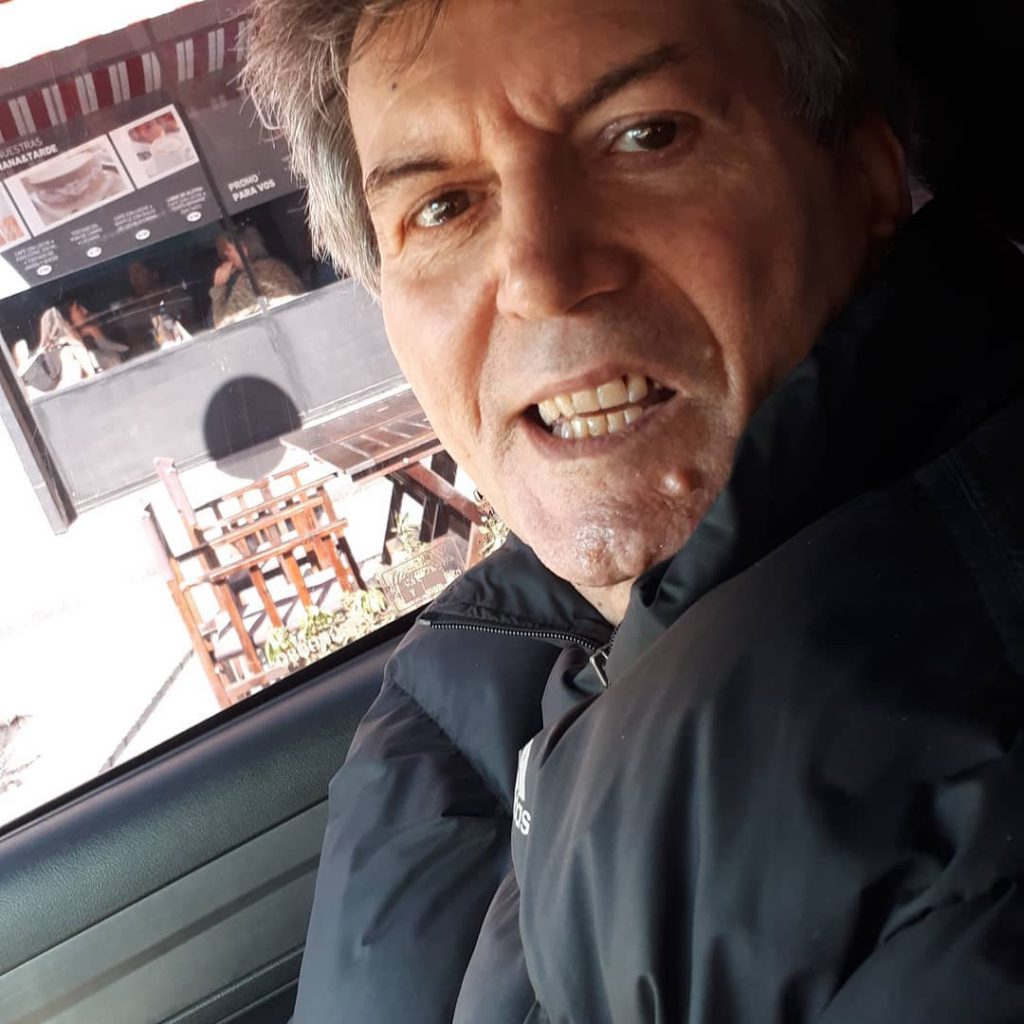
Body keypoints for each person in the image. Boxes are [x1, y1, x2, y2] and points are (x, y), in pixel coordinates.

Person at [244, 1, 1024, 1021]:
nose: (539, 276)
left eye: (646, 135)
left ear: (865, 179)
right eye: (442, 207)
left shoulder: (972, 782)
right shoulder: (459, 686)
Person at [208, 226, 304, 327]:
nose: (226, 257)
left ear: (243, 250)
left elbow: (224, 325)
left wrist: (218, 287)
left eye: (228, 251)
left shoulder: (248, 280)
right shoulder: (278, 267)